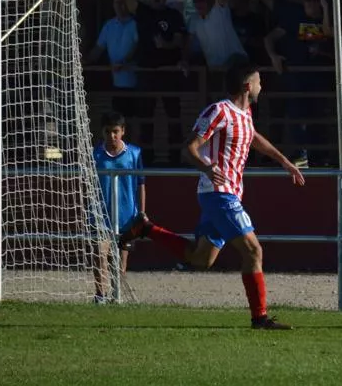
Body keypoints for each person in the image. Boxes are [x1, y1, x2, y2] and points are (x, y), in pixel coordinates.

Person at [118, 59, 306, 329]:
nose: (261, 86)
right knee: (254, 250)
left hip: (228, 194)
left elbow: (252, 136)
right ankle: (260, 318)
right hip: (219, 193)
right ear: (246, 85)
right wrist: (207, 168)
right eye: (259, 81)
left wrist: (283, 161)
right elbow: (190, 147)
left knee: (200, 258)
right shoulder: (219, 111)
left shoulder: (245, 115)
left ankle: (146, 228)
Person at [92, 111, 145, 304]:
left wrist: (142, 211)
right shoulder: (95, 154)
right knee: (99, 253)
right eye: (108, 132)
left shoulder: (134, 153)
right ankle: (100, 295)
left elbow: (141, 183)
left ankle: (117, 295)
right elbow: (87, 184)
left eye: (115, 131)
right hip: (101, 214)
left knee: (121, 262)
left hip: (126, 215)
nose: (112, 136)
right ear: (102, 133)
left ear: (123, 131)